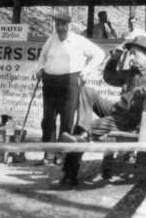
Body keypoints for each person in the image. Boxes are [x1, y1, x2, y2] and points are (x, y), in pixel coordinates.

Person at [59, 36, 146, 185]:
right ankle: (83, 130)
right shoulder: (131, 72)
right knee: (86, 91)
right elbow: (109, 77)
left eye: (134, 53)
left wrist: (139, 91)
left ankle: (70, 173)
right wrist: (114, 59)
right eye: (130, 53)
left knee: (80, 131)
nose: (131, 57)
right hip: (117, 111)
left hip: (127, 121)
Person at [35, 13, 105, 165]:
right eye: (58, 24)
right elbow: (42, 58)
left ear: (70, 25)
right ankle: (48, 155)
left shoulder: (78, 41)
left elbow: (99, 54)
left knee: (67, 120)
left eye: (64, 24)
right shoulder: (51, 40)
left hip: (70, 82)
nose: (61, 27)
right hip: (50, 82)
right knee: (48, 119)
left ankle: (61, 155)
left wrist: (86, 71)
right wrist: (40, 69)